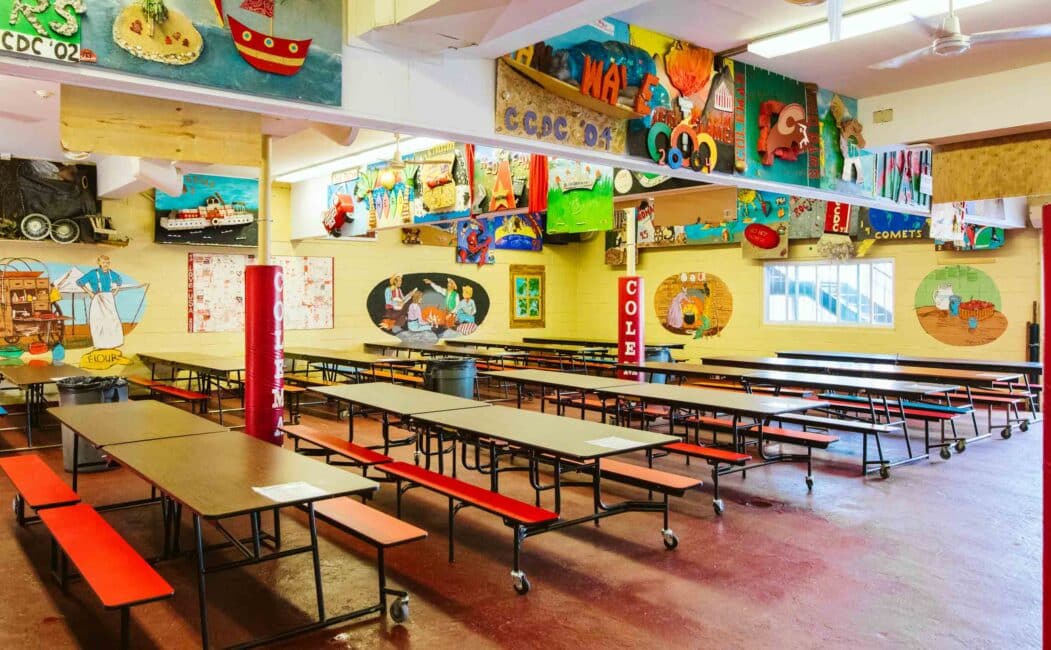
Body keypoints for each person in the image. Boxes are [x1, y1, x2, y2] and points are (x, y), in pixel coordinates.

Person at [76, 255, 124, 349]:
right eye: (103, 262)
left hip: (109, 298)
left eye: (107, 263)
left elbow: (119, 280)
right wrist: (90, 293)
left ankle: (114, 342)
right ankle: (99, 344)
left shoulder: (111, 273)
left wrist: (115, 292)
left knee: (112, 320)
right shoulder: (93, 273)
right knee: (98, 321)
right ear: (99, 263)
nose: (106, 265)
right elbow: (79, 282)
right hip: (97, 297)